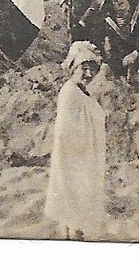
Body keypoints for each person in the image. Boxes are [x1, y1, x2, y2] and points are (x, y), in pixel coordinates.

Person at [44, 42, 109, 241]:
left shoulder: (81, 91)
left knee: (75, 204)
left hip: (81, 156)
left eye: (92, 69)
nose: (88, 73)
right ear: (73, 67)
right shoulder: (70, 93)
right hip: (73, 156)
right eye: (84, 68)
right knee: (72, 200)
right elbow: (67, 131)